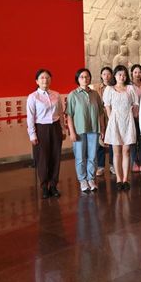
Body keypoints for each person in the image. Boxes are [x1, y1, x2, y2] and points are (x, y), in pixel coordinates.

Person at [26, 69, 65, 198]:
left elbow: (60, 114)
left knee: (55, 157)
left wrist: (63, 129)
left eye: (47, 77)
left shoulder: (56, 95)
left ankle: (53, 185)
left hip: (55, 127)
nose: (45, 80)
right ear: (37, 81)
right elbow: (30, 117)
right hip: (41, 128)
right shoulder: (33, 97)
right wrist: (32, 134)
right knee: (42, 159)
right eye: (42, 78)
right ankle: (44, 187)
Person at [66, 68, 105, 193]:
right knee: (80, 156)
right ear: (77, 79)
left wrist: (102, 128)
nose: (85, 79)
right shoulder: (73, 95)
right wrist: (72, 132)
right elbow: (69, 115)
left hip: (94, 129)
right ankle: (82, 180)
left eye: (87, 76)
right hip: (79, 130)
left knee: (92, 156)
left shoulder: (95, 94)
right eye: (82, 77)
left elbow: (101, 113)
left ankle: (91, 179)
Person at [103, 65, 138, 191]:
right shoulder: (109, 89)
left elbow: (135, 104)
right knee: (116, 152)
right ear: (115, 76)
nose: (122, 77)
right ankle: (118, 179)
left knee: (126, 151)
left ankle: (125, 179)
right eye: (119, 75)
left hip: (128, 121)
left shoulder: (130, 88)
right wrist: (111, 119)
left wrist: (132, 115)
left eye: (124, 75)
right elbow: (107, 106)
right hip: (115, 122)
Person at [91, 67, 114, 177]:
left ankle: (112, 165)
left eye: (108, 74)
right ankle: (100, 166)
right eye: (104, 74)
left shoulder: (114, 87)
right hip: (99, 115)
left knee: (113, 141)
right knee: (100, 140)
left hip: (111, 114)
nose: (106, 76)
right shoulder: (96, 88)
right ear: (101, 75)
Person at [130, 64, 141, 172]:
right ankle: (134, 162)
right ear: (131, 73)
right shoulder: (128, 86)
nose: (137, 74)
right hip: (131, 117)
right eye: (135, 72)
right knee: (132, 140)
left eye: (139, 72)